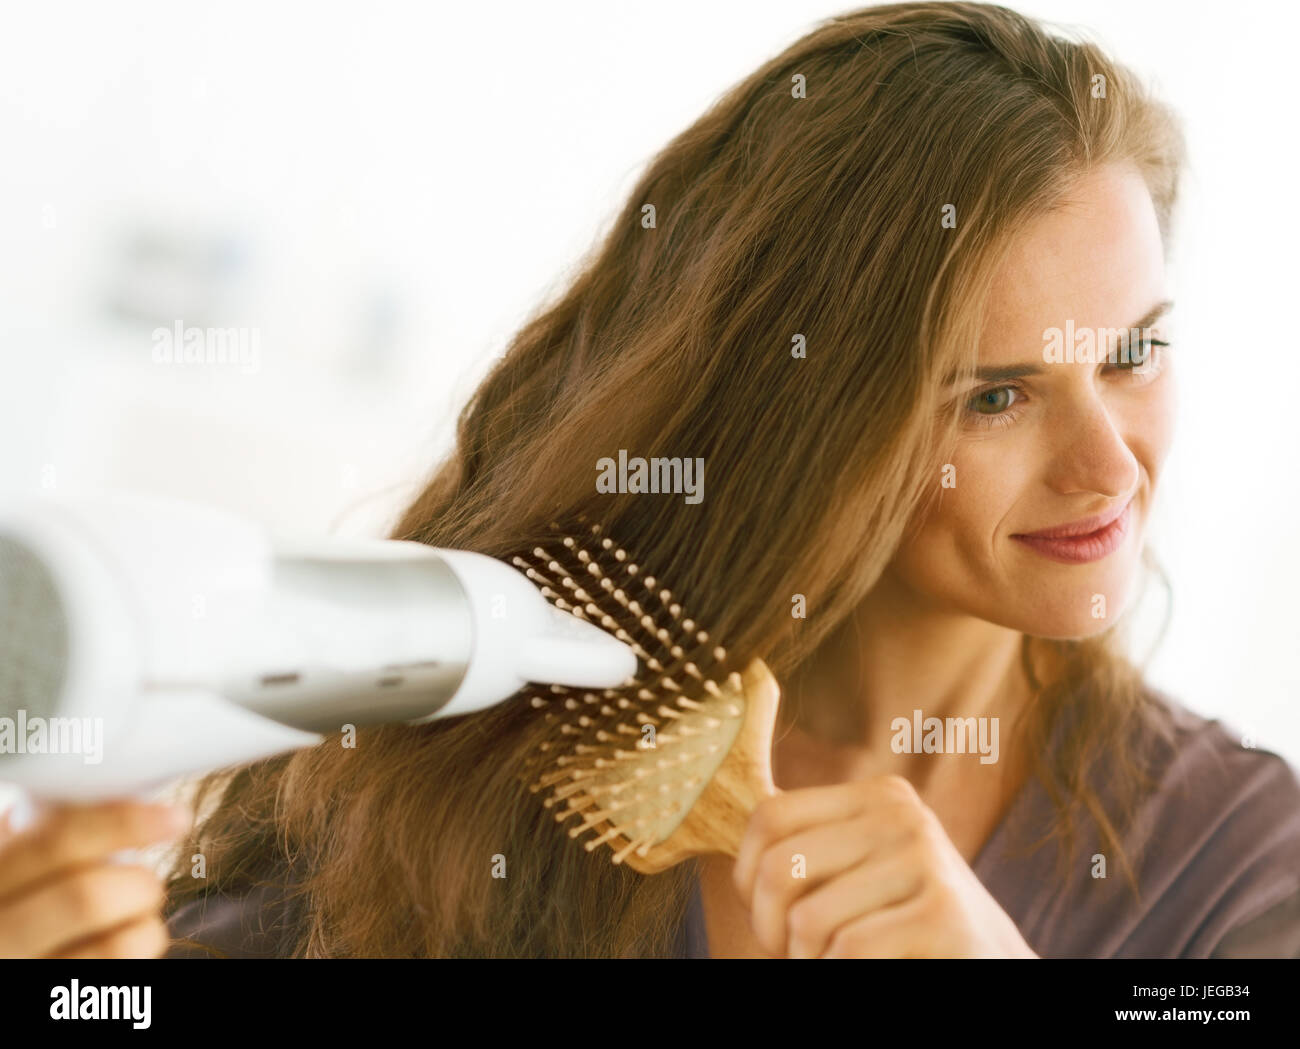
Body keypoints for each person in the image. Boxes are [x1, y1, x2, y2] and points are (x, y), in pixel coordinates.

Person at [4, 1, 1298, 959]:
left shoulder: (1242, 864)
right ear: (814, 420)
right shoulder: (512, 728)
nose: (1110, 461)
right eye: (996, 394)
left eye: (1134, 353)